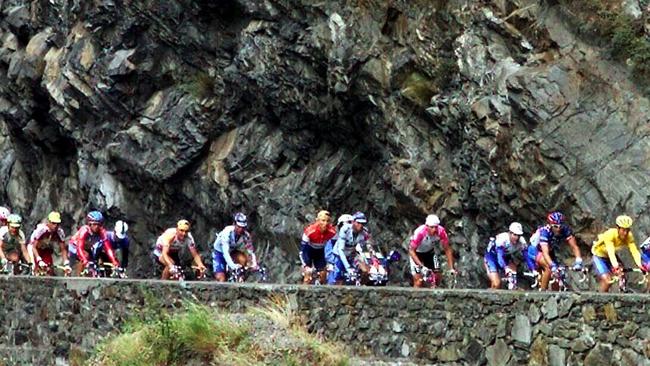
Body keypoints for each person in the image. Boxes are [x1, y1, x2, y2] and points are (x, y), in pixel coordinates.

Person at [526, 212, 583, 290]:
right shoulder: (544, 232)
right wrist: (552, 265)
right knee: (549, 268)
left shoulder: (565, 230)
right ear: (550, 225)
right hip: (536, 250)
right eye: (556, 226)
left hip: (550, 251)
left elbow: (574, 246)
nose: (558, 229)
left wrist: (578, 261)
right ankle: (542, 293)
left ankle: (555, 295)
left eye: (560, 226)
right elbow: (545, 253)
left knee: (558, 274)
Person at [591, 215, 644, 292]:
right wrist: (615, 266)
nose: (625, 233)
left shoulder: (629, 236)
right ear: (618, 228)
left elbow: (635, 252)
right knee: (607, 280)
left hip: (609, 256)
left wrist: (640, 265)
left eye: (627, 230)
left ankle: (622, 290)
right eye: (623, 230)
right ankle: (600, 300)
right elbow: (610, 251)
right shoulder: (610, 234)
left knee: (622, 273)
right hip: (599, 256)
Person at [409, 214, 457, 288]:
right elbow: (411, 251)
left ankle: (431, 291)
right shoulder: (420, 233)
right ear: (427, 226)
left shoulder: (441, 231)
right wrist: (421, 266)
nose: (434, 230)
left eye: (436, 227)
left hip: (429, 253)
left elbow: (447, 249)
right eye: (431, 227)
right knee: (418, 281)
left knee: (436, 277)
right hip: (416, 254)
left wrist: (451, 268)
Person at [329, 212, 375, 285]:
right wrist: (348, 267)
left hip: (351, 253)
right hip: (340, 254)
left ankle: (360, 286)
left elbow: (369, 246)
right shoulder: (345, 229)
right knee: (339, 277)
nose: (360, 226)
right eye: (358, 223)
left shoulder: (364, 232)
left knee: (366, 271)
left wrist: (374, 260)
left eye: (362, 224)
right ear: (353, 222)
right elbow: (340, 249)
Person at [69, 211, 121, 275]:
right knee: (86, 256)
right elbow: (79, 248)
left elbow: (108, 249)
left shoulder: (102, 232)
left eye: (98, 224)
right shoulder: (84, 230)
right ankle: (78, 277)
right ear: (89, 224)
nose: (96, 227)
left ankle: (92, 276)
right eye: (94, 224)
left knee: (95, 262)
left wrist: (114, 261)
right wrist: (85, 261)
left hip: (87, 247)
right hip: (75, 246)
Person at [212, 212, 258, 282]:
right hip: (220, 252)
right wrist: (233, 266)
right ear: (234, 224)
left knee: (243, 260)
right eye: (239, 227)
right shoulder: (227, 232)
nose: (240, 230)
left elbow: (251, 252)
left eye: (243, 228)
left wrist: (254, 264)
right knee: (221, 278)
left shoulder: (246, 235)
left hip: (232, 252)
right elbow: (225, 253)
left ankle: (238, 278)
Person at [484, 222, 527, 289]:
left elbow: (527, 257)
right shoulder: (502, 239)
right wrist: (506, 268)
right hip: (492, 257)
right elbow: (500, 257)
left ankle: (512, 287)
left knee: (513, 270)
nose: (516, 238)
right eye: (514, 235)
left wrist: (533, 269)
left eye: (518, 235)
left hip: (505, 257)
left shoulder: (522, 242)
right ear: (509, 233)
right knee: (497, 283)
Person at [299, 210, 336, 284]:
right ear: (317, 221)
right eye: (323, 220)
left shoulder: (332, 232)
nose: (325, 223)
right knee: (308, 275)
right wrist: (305, 265)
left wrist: (332, 263)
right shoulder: (310, 231)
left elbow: (335, 248)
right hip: (308, 252)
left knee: (323, 275)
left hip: (320, 252)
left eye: (327, 221)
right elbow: (302, 251)